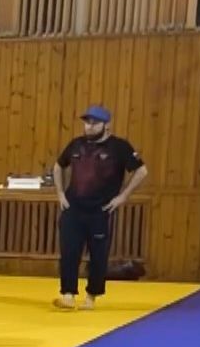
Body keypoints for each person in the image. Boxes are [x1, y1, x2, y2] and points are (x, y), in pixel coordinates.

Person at [53, 105, 146, 309]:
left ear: (106, 125)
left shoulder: (119, 147)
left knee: (98, 255)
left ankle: (91, 296)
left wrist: (123, 196)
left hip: (101, 209)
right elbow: (58, 166)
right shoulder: (76, 145)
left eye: (95, 123)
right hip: (73, 207)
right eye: (87, 123)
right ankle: (68, 294)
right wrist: (60, 193)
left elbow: (141, 171)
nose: (90, 126)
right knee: (69, 252)